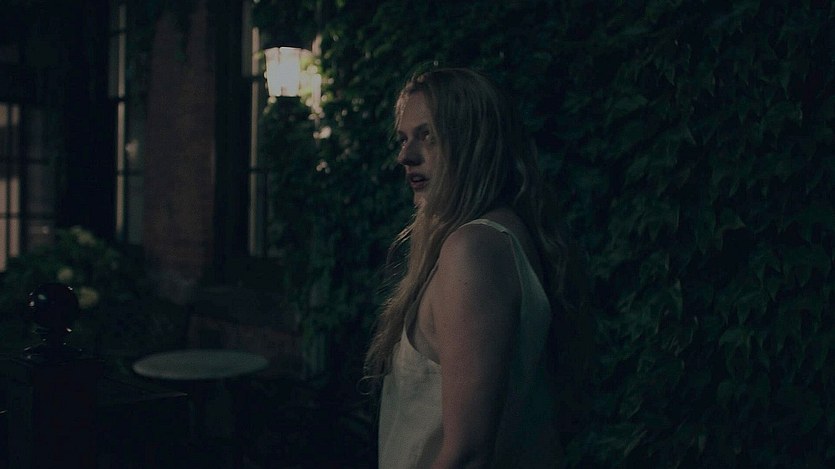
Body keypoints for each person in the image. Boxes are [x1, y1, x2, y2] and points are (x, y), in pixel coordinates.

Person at [365, 67, 592, 468]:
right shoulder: (502, 237)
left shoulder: (473, 249)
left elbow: (468, 454)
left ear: (473, 143)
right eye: (403, 138)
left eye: (428, 135)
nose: (405, 156)